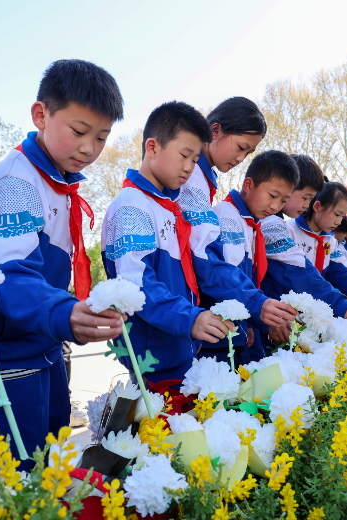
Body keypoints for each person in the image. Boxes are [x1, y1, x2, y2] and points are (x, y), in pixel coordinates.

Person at [0, 59, 126, 467]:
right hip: (11, 354)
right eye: (79, 131)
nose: (89, 148)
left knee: (54, 455)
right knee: (23, 469)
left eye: (101, 137)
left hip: (45, 344)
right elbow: (8, 273)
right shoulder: (13, 183)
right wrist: (64, 312)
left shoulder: (57, 182)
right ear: (41, 115)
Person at [101, 101, 236, 382]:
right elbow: (138, 284)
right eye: (184, 155)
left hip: (177, 351)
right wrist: (189, 318)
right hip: (153, 362)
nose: (189, 168)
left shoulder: (167, 207)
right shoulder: (132, 206)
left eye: (195, 159)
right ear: (152, 147)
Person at [175, 97, 297, 362]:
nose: (241, 158)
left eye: (248, 153)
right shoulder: (192, 177)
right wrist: (254, 303)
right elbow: (203, 256)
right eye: (241, 147)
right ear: (215, 131)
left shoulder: (203, 179)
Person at [247, 153, 347, 347]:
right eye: (306, 197)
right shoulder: (273, 224)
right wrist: (337, 303)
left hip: (268, 317)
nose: (307, 205)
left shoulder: (324, 237)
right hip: (263, 317)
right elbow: (297, 270)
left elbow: (344, 274)